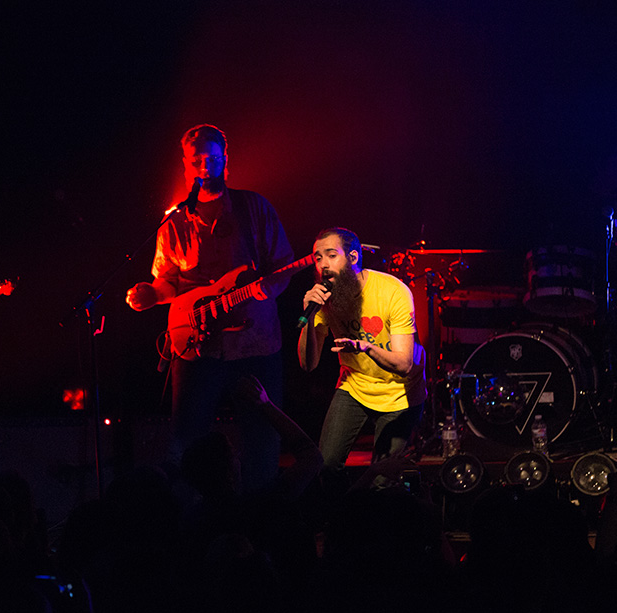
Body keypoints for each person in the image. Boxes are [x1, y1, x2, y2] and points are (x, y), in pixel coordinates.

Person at [125, 124, 294, 494]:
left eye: (213, 159)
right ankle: (192, 518)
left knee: (261, 438)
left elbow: (283, 265)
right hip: (195, 344)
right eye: (197, 160)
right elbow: (169, 281)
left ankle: (261, 518)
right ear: (187, 165)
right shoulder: (174, 221)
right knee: (187, 437)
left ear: (225, 161)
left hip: (254, 345)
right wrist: (151, 295)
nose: (206, 166)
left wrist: (268, 289)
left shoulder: (254, 208)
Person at [298, 227, 426, 480]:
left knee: (382, 480)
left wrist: (365, 347)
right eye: (318, 257)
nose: (323, 264)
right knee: (324, 465)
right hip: (355, 386)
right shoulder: (325, 299)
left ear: (353, 257)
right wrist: (308, 316)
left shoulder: (393, 291)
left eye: (331, 255)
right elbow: (307, 364)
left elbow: (404, 364)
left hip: (399, 393)